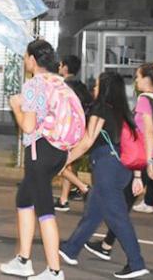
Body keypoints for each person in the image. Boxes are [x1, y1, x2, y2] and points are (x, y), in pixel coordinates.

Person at [93, 62, 153, 269]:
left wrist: (145, 164)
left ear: (147, 79)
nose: (135, 80)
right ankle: (107, 243)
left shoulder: (144, 100)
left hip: (152, 159)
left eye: (138, 76)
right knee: (132, 199)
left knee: (147, 202)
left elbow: (147, 133)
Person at [57, 72, 149, 279]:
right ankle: (71, 249)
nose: (94, 89)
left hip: (107, 168)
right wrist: (136, 176)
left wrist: (63, 161)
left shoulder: (101, 109)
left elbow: (87, 142)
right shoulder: (123, 111)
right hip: (122, 168)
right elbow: (134, 144)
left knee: (118, 218)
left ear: (105, 88)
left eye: (97, 85)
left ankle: (136, 263)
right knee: (94, 212)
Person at [0, 40, 70, 280]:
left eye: (26, 56)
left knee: (45, 210)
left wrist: (16, 107)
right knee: (24, 199)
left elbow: (28, 126)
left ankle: (54, 270)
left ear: (32, 59)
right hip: (58, 150)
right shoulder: (59, 82)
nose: (25, 60)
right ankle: (23, 259)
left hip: (40, 151)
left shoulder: (33, 85)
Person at [55, 55, 93, 212]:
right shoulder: (81, 86)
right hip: (81, 130)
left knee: (58, 164)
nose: (58, 66)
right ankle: (64, 199)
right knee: (69, 164)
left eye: (61, 64)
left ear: (65, 67)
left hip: (66, 131)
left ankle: (83, 187)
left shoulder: (62, 87)